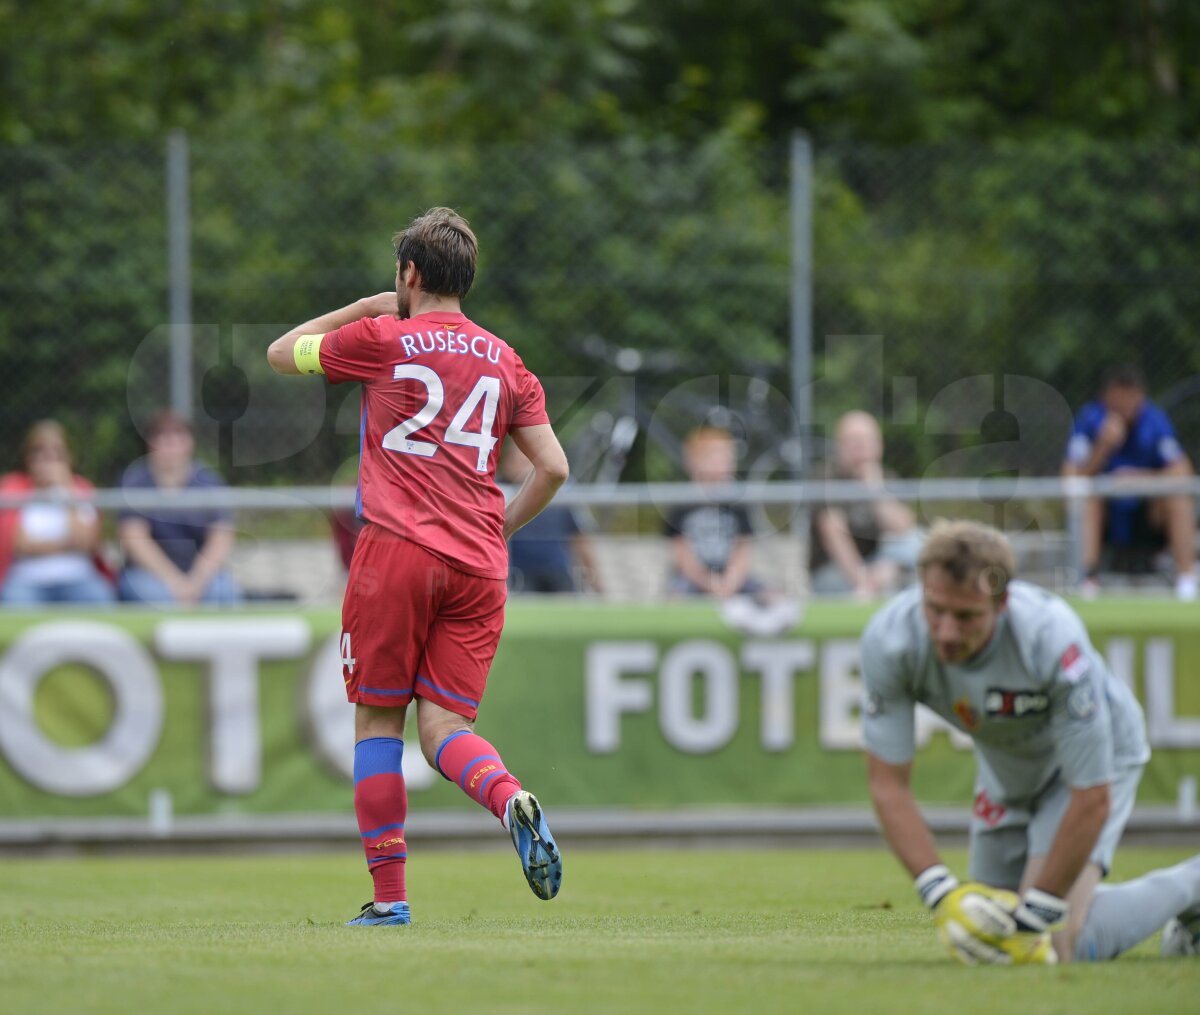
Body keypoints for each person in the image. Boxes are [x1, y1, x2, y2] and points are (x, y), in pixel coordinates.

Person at [268, 207, 567, 926]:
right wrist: (499, 521)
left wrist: (367, 307)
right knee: (444, 726)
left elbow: (283, 352)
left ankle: (391, 899)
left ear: (408, 274)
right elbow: (553, 467)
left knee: (379, 723)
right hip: (479, 567)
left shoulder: (382, 338)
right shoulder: (505, 358)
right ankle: (508, 797)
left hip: (396, 553)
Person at [861, 518, 1200, 964]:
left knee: (1056, 942)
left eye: (966, 617)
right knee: (990, 933)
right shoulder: (890, 641)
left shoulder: (1050, 638)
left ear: (1002, 602)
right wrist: (939, 891)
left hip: (1093, 764)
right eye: (935, 609)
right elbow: (888, 784)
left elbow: (1091, 795)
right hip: (1007, 770)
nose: (946, 632)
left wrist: (1039, 913)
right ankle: (1090, 898)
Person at [1063, 364, 1197, 601]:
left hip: (1147, 515)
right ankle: (1088, 580)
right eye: (1118, 398)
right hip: (1108, 519)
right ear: (1106, 397)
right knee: (1088, 498)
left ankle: (1186, 580)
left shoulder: (1154, 419)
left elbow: (1183, 472)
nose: (1124, 405)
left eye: (1130, 398)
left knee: (1178, 497)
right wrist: (1102, 448)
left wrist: (1139, 478)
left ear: (1140, 396)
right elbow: (1070, 479)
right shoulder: (1090, 419)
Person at [117, 410, 240, 605]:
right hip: (148, 574)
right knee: (155, 597)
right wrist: (175, 582)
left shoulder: (208, 481)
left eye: (177, 436)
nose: (170, 443)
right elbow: (135, 539)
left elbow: (221, 537)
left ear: (190, 442)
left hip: (198, 573)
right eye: (162, 437)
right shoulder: (135, 480)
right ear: (149, 444)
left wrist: (196, 582)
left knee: (223, 592)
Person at [809, 410, 921, 599]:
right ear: (839, 446)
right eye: (852, 440)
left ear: (879, 445)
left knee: (917, 542)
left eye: (867, 439)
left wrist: (876, 489)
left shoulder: (885, 477)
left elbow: (904, 529)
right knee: (839, 587)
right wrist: (863, 580)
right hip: (835, 568)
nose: (860, 446)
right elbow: (832, 530)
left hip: (877, 564)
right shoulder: (825, 476)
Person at [0, 420, 114, 604]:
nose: (48, 461)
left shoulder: (81, 489)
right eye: (41, 453)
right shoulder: (13, 489)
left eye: (57, 454)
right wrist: (65, 546)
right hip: (26, 579)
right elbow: (19, 546)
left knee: (98, 597)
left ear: (68, 458)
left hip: (78, 578)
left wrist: (65, 490)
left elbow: (85, 542)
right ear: (28, 458)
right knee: (15, 601)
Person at [664, 426, 762, 598]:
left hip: (731, 576)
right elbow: (681, 554)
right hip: (692, 577)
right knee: (676, 597)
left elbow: (743, 548)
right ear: (694, 462)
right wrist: (709, 583)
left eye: (728, 458)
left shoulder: (737, 501)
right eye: (716, 458)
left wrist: (730, 582)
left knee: (768, 595)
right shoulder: (682, 501)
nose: (724, 463)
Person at [500, 442, 602, 595]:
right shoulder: (499, 491)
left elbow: (579, 536)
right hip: (519, 575)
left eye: (529, 461)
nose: (525, 468)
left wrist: (595, 580)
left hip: (558, 571)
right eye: (520, 461)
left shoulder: (565, 491)